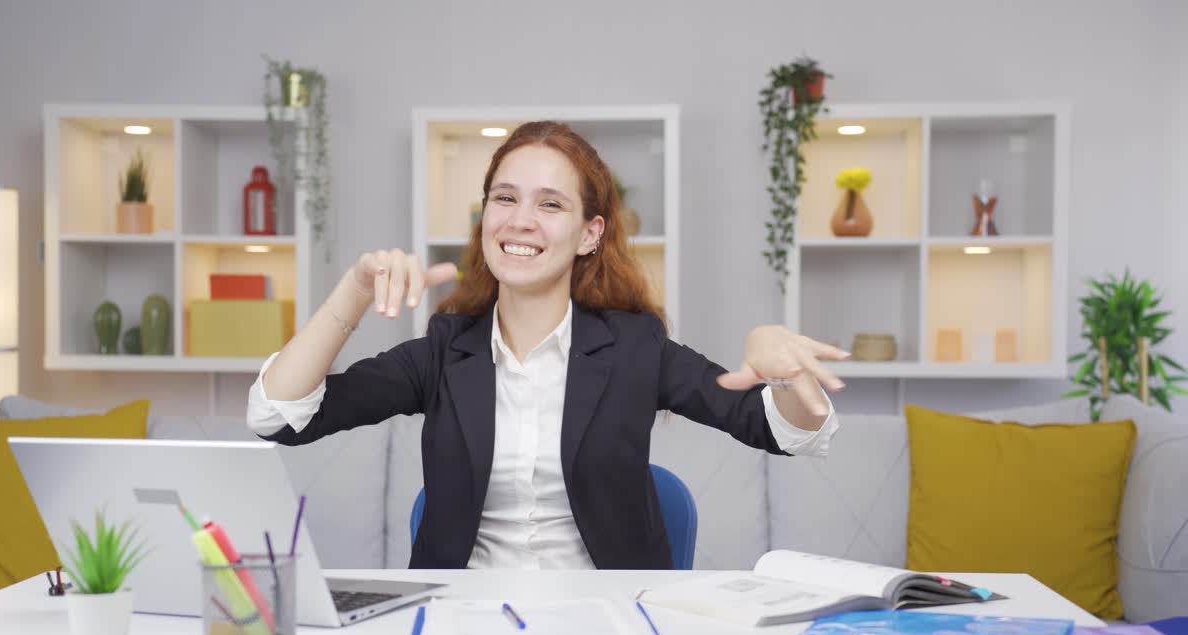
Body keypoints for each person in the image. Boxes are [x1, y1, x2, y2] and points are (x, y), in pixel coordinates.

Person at [247, 121, 847, 570]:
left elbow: (781, 429)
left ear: (590, 234)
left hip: (611, 631)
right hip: (461, 628)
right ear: (485, 218)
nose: (520, 220)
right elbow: (280, 416)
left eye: (550, 204)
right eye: (505, 199)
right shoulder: (443, 350)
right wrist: (352, 292)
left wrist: (789, 375)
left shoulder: (635, 347)